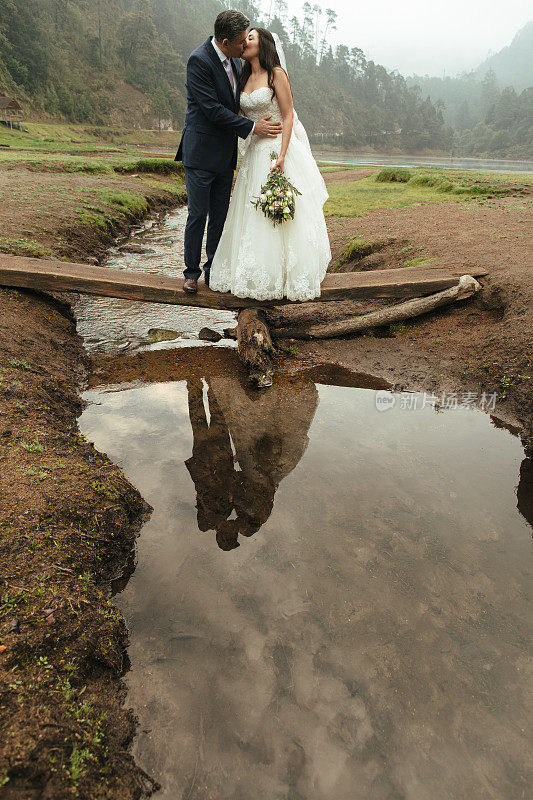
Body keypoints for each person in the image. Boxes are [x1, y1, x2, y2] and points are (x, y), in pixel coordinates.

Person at [209, 28, 331, 302]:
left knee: (277, 213)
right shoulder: (243, 77)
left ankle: (284, 275)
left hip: (277, 151)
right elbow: (238, 117)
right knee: (251, 212)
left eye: (250, 38)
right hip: (254, 154)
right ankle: (251, 273)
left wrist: (283, 156)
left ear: (262, 44)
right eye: (244, 39)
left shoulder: (277, 74)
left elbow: (288, 117)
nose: (245, 42)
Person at [176, 10, 283, 294]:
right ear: (225, 41)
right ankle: (191, 273)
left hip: (225, 154)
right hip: (199, 153)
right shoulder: (199, 60)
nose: (244, 46)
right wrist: (251, 127)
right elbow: (211, 109)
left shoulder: (237, 64)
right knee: (198, 214)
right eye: (240, 42)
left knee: (220, 216)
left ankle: (214, 269)